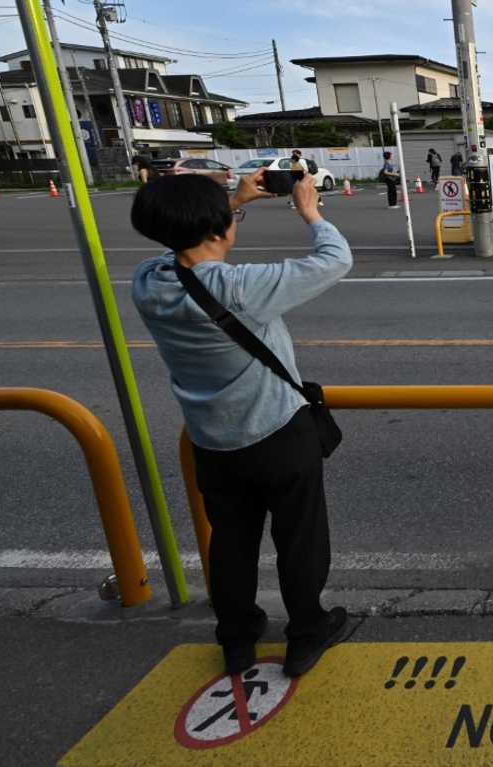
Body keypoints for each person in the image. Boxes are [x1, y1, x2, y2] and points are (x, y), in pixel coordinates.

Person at [130, 170, 355, 678]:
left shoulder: (147, 281)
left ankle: (236, 639)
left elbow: (188, 248)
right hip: (277, 432)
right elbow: (335, 259)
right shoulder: (239, 287)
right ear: (217, 230)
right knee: (299, 540)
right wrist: (310, 211)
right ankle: (306, 634)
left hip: (211, 440)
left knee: (231, 543)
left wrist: (230, 203)